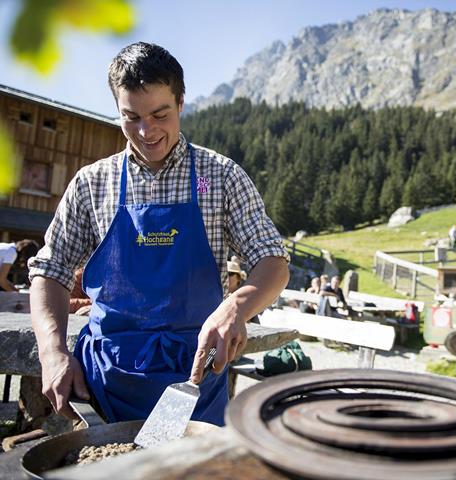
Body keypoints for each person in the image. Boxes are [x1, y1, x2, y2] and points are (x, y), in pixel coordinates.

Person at [28, 42, 289, 425]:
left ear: (181, 103)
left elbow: (273, 262)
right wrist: (52, 351)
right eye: (131, 117)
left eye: (160, 114)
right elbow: (50, 272)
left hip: (194, 376)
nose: (146, 131)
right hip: (105, 380)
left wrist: (237, 307)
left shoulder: (220, 177)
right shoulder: (91, 183)